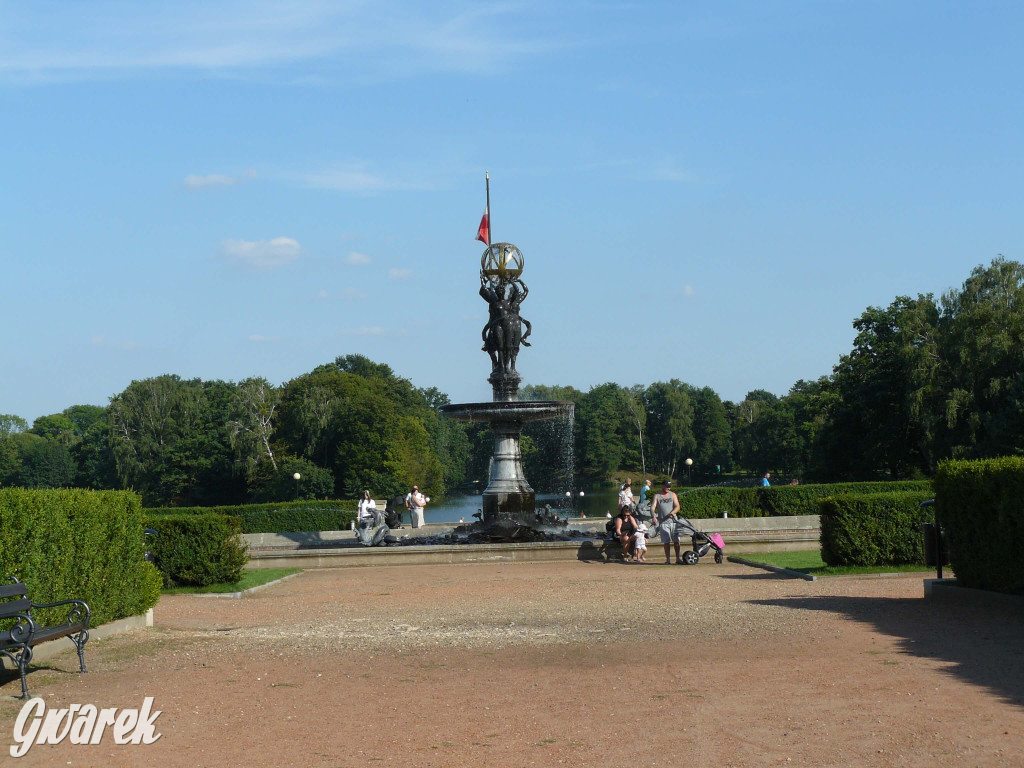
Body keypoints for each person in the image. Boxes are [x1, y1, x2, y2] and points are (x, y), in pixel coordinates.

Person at [651, 479, 683, 564]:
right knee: (666, 542)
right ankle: (668, 560)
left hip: (673, 521)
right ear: (663, 486)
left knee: (676, 541)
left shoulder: (673, 495)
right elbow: (652, 507)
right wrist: (654, 516)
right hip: (663, 522)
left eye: (669, 486)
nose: (668, 488)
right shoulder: (657, 496)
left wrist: (672, 513)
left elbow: (677, 506)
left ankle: (677, 558)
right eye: (667, 486)